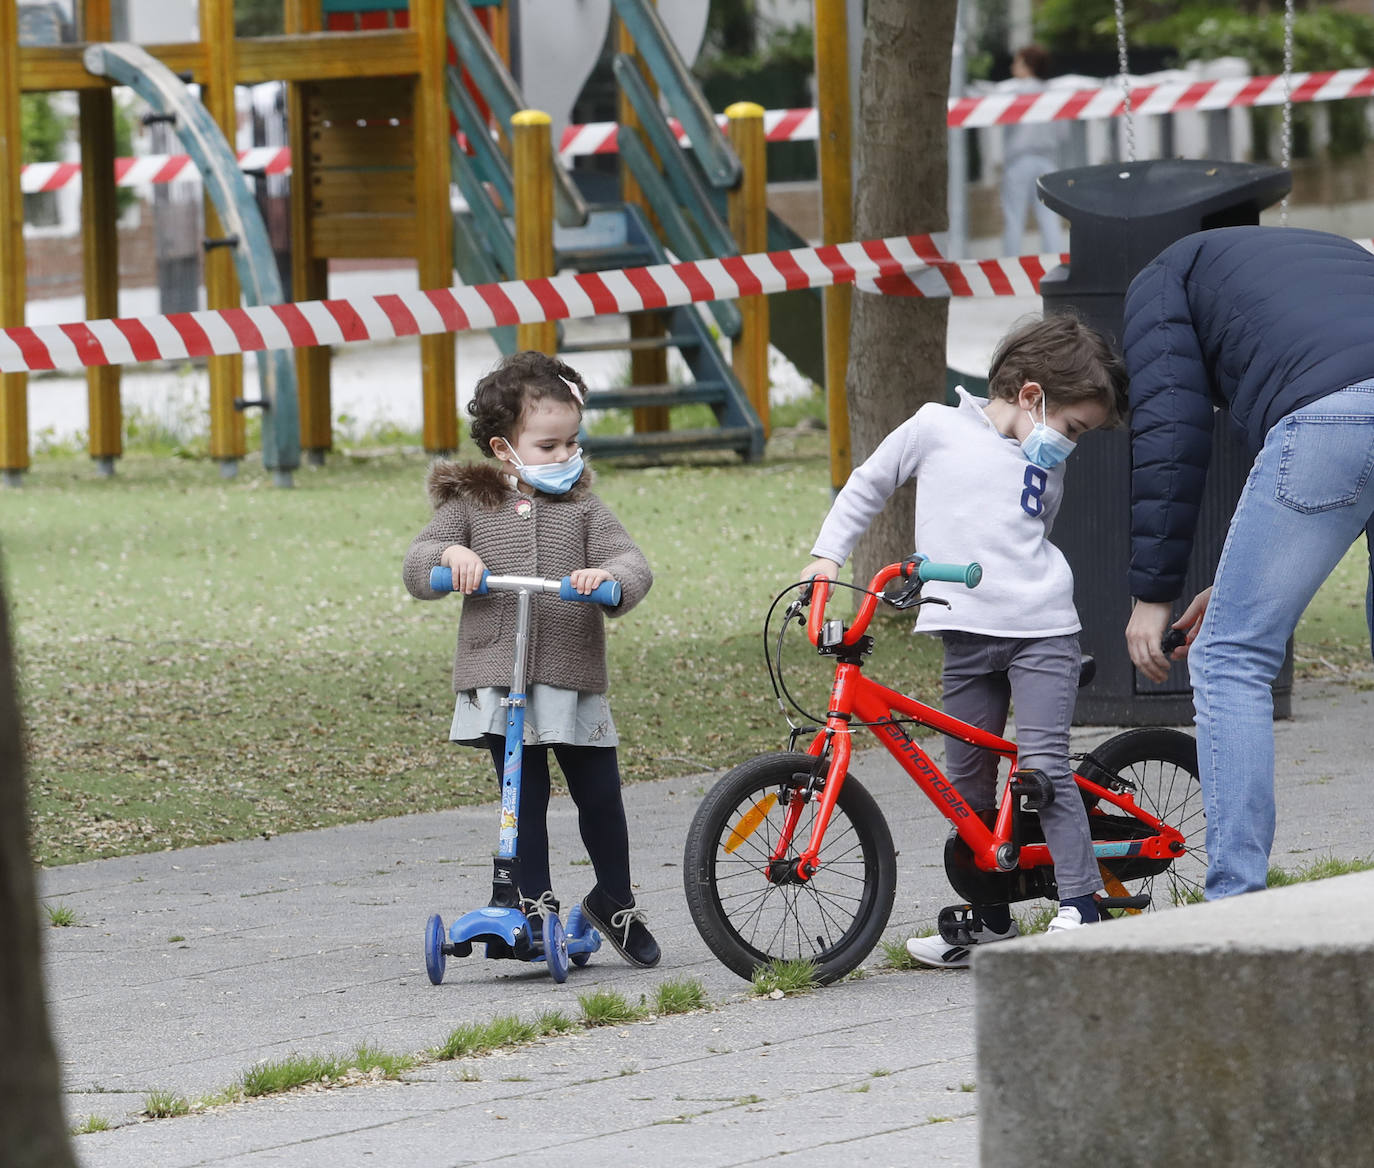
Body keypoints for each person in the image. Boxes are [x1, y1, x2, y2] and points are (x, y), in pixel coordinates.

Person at [801, 314, 1129, 968]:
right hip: (964, 635)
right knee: (968, 791)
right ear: (1032, 396)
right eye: (1072, 430)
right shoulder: (935, 428)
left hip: (1042, 633)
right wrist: (825, 558)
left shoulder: (1042, 461)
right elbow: (868, 484)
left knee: (1040, 771)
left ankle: (1082, 905)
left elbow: (1020, 543)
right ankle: (990, 917)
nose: (1072, 445)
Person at [1122, 225, 1374, 901]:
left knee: (1230, 656)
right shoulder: (1333, 254)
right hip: (1345, 399)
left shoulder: (1160, 279)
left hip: (1331, 419)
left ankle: (1234, 902)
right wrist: (1227, 584)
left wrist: (1153, 594)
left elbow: (1173, 431)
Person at [402, 350, 660, 966]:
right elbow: (418, 564)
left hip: (572, 678)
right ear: (503, 447)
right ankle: (534, 906)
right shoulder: (468, 507)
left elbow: (634, 565)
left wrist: (608, 579)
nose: (565, 457)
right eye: (549, 446)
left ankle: (613, 899)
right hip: (501, 678)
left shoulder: (586, 510)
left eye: (572, 443)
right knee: (525, 796)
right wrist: (450, 562)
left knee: (600, 794)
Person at [999, 44, 1066, 258]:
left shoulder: (1013, 91)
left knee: (1013, 217)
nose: (1012, 67)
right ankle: (1054, 262)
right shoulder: (1053, 93)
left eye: (1016, 62)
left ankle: (1010, 264)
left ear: (1027, 65)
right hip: (1047, 161)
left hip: (1019, 160)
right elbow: (1063, 133)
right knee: (1049, 218)